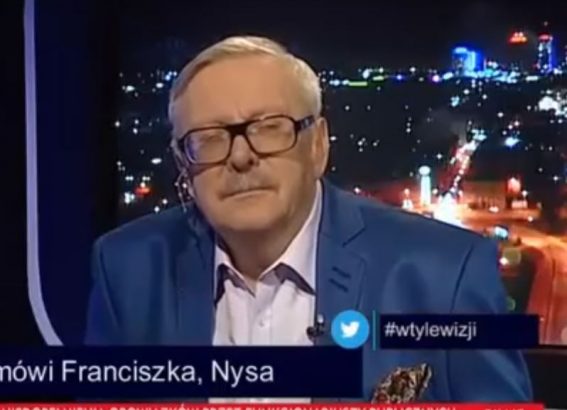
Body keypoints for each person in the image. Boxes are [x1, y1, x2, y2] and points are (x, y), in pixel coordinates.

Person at [85, 35, 532, 401]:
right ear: (183, 163)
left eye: (268, 128)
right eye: (209, 139)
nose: (240, 157)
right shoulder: (127, 270)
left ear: (318, 144)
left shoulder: (446, 275)